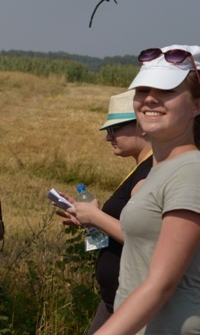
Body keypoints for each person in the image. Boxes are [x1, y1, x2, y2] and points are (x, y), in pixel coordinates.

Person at [95, 45, 200, 335]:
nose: (150, 99)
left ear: (196, 105)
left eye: (166, 91)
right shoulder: (159, 169)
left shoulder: (190, 171)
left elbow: (161, 285)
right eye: (142, 90)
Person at [54, 89, 152, 333]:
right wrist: (90, 220)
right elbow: (126, 227)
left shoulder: (149, 173)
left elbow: (145, 237)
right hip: (116, 299)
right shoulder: (139, 169)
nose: (109, 138)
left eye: (114, 130)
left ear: (141, 126)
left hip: (132, 303)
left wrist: (96, 216)